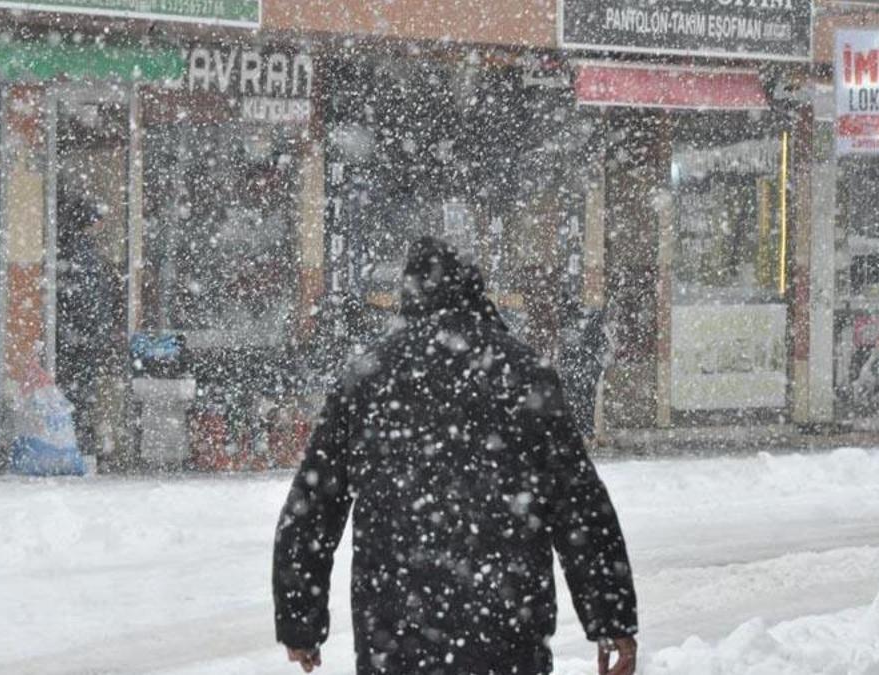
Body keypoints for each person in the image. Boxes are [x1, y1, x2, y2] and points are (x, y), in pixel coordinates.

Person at [273, 237, 638, 675]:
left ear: (408, 293)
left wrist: (301, 624)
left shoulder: (366, 379)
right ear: (476, 290)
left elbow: (311, 509)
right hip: (506, 630)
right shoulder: (523, 374)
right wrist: (610, 619)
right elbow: (579, 506)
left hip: (396, 634)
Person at [56, 197, 122, 460]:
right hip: (83, 334)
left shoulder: (77, 249)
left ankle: (81, 441)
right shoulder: (82, 252)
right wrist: (93, 328)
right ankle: (81, 443)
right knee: (82, 390)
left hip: (82, 333)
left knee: (82, 389)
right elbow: (86, 297)